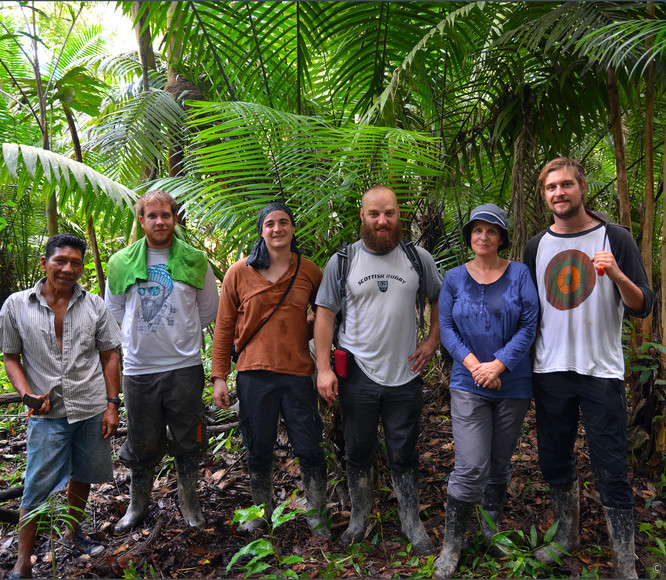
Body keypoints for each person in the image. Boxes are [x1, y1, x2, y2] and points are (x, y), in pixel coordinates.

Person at [524, 158, 654, 578]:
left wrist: (616, 273)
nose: (559, 193)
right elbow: (528, 310)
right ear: (544, 195)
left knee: (611, 466)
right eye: (551, 188)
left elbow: (642, 306)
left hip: (601, 372)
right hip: (550, 370)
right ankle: (567, 535)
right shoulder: (535, 245)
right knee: (554, 460)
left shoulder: (614, 237)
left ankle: (624, 559)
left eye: (566, 185)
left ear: (581, 187)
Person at [314, 185, 442, 555]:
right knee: (358, 448)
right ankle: (359, 516)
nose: (382, 221)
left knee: (403, 451)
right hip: (358, 372)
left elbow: (438, 298)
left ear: (399, 214)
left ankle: (410, 520)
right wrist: (324, 368)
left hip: (406, 372)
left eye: (389, 213)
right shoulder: (343, 261)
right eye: (374, 214)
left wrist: (432, 341)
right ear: (362, 216)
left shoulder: (419, 259)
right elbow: (324, 316)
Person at [0, 233, 122, 579]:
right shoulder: (17, 305)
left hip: (91, 406)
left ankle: (73, 533)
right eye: (60, 261)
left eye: (75, 262)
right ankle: (23, 561)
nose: (67, 268)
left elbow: (110, 357)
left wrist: (112, 405)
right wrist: (26, 394)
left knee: (84, 474)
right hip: (48, 413)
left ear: (82, 267)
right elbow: (10, 357)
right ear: (44, 263)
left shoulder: (94, 304)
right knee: (37, 486)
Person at [210, 203, 330, 538]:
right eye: (270, 224)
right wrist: (219, 376)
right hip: (254, 374)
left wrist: (303, 330)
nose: (277, 229)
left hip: (297, 374)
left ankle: (317, 513)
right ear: (262, 232)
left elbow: (325, 314)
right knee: (258, 447)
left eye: (284, 223)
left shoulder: (309, 271)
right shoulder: (239, 272)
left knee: (308, 447)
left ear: (293, 230)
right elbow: (223, 327)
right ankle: (260, 512)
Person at [433, 203, 539, 578]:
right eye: (477, 230)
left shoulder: (521, 274)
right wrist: (476, 366)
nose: (483, 237)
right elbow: (446, 328)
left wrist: (499, 364)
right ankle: (451, 546)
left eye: (491, 231)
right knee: (471, 466)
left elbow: (529, 324)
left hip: (513, 383)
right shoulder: (453, 278)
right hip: (468, 383)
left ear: (502, 238)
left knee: (498, 464)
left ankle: (491, 531)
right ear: (470, 237)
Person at [105, 189, 219, 534]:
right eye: (151, 216)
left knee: (187, 437)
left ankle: (190, 503)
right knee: (141, 439)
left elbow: (208, 310)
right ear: (141, 222)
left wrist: (178, 333)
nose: (159, 221)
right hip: (139, 369)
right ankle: (137, 505)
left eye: (165, 215)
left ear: (174, 219)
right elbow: (114, 311)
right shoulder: (121, 262)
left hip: (184, 366)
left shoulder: (195, 260)